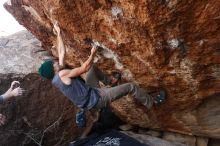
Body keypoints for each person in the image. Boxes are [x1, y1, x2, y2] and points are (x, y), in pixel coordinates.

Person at [38, 45, 166, 111]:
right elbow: (84, 68)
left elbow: (61, 52)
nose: (55, 62)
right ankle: (152, 102)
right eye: (53, 64)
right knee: (130, 87)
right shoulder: (62, 74)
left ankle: (110, 82)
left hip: (89, 92)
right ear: (53, 69)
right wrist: (92, 52)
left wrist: (58, 31)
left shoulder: (56, 78)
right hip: (96, 99)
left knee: (93, 69)